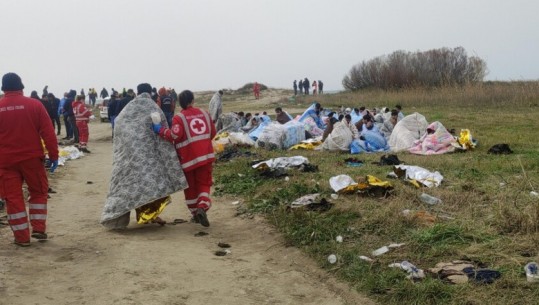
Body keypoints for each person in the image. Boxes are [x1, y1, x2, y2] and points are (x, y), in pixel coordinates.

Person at [101, 83, 188, 229]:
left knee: (126, 184)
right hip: (149, 157)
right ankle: (149, 215)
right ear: (150, 92)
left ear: (137, 92)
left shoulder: (127, 110)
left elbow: (119, 125)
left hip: (129, 156)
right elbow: (163, 130)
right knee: (150, 184)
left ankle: (117, 221)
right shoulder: (153, 107)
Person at [0, 73, 59, 247]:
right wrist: (54, 155)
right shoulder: (35, 105)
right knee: (38, 192)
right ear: (21, 87)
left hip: (5, 163)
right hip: (32, 159)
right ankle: (39, 228)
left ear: (3, 88)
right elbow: (48, 133)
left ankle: (22, 238)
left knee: (13, 198)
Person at [154, 90, 216, 227]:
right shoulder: (205, 114)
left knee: (191, 188)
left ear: (179, 103)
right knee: (204, 184)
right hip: (205, 157)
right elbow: (213, 133)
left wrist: (160, 130)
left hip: (187, 160)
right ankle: (202, 207)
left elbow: (174, 135)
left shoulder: (179, 118)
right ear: (193, 100)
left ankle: (195, 214)